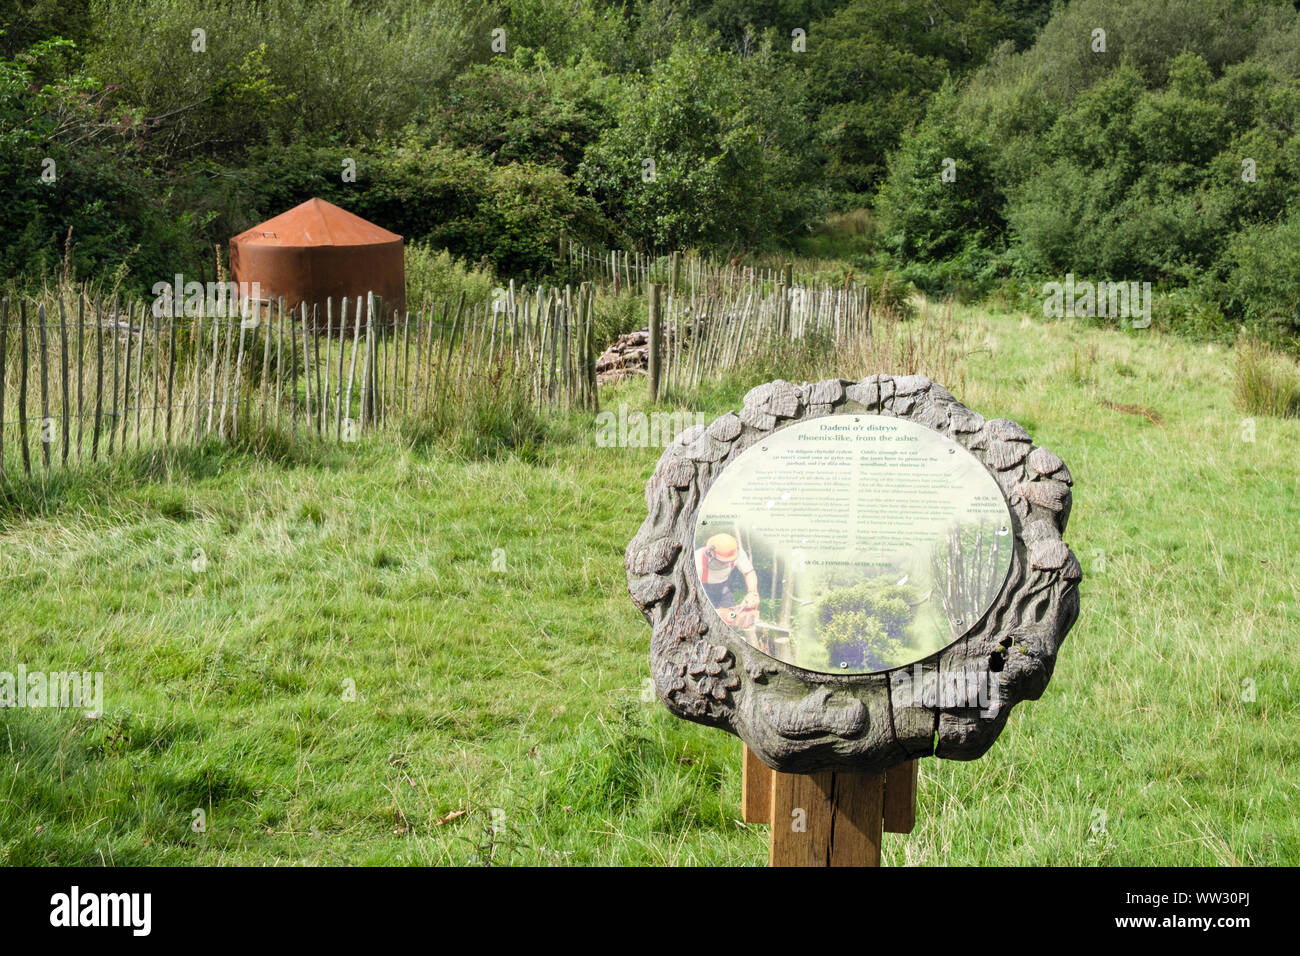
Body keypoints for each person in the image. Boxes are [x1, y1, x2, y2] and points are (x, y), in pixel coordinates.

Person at [695, 533, 760, 615]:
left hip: (724, 587)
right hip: (703, 588)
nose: (725, 564)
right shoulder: (697, 560)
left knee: (729, 615)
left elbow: (749, 572)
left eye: (728, 561)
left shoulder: (736, 552)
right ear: (710, 553)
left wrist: (752, 592)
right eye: (722, 561)